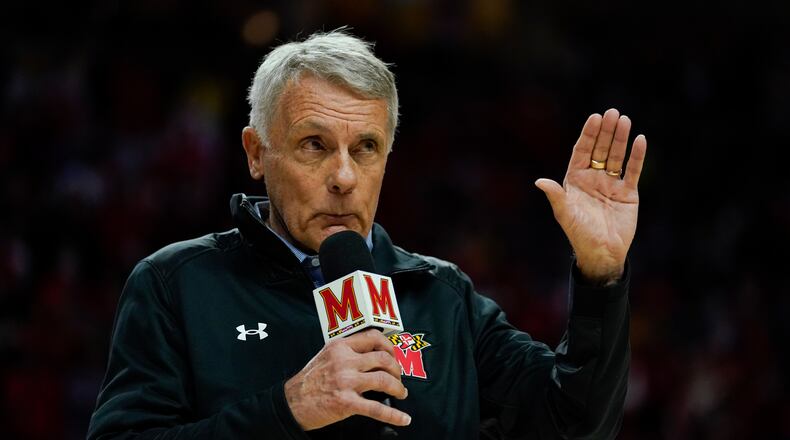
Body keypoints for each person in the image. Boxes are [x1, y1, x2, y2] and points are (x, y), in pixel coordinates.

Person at [88, 29, 647, 439]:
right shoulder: (176, 285)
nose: (344, 178)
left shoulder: (441, 296)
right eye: (314, 145)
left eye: (366, 148)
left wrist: (602, 275)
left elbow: (577, 425)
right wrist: (286, 410)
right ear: (257, 153)